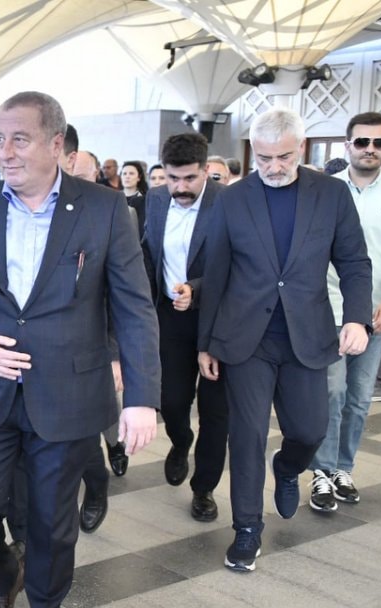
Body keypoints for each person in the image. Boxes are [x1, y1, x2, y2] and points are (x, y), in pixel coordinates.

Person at [0, 91, 160, 608]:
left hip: (69, 396)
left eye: (20, 139)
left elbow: (135, 308)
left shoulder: (105, 208)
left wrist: (141, 399)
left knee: (53, 532)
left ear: (57, 144)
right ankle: (4, 576)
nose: (4, 151)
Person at [196, 106, 372, 573]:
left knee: (310, 430)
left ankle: (289, 467)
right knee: (247, 434)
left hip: (307, 336)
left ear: (302, 149)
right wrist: (205, 342)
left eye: (284, 157)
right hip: (245, 339)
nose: (274, 167)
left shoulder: (331, 194)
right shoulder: (233, 198)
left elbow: (354, 262)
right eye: (264, 158)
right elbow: (217, 270)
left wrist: (357, 319)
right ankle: (247, 530)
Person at [309, 113, 381, 511]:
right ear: (348, 145)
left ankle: (343, 468)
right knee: (332, 390)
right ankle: (322, 472)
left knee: (358, 397)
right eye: (362, 141)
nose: (370, 149)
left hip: (377, 313)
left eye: (379, 142)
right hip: (328, 308)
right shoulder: (325, 190)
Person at [141, 132, 229, 522]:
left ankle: (203, 488)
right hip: (170, 317)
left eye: (189, 178)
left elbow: (240, 266)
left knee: (216, 411)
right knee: (172, 400)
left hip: (219, 320)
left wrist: (196, 289)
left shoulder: (228, 202)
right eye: (172, 178)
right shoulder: (157, 199)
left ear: (206, 170)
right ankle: (180, 440)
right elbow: (148, 251)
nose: (180, 187)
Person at [120, 160, 148, 234]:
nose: (127, 176)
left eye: (131, 173)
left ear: (139, 177)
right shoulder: (113, 198)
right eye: (124, 174)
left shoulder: (145, 200)